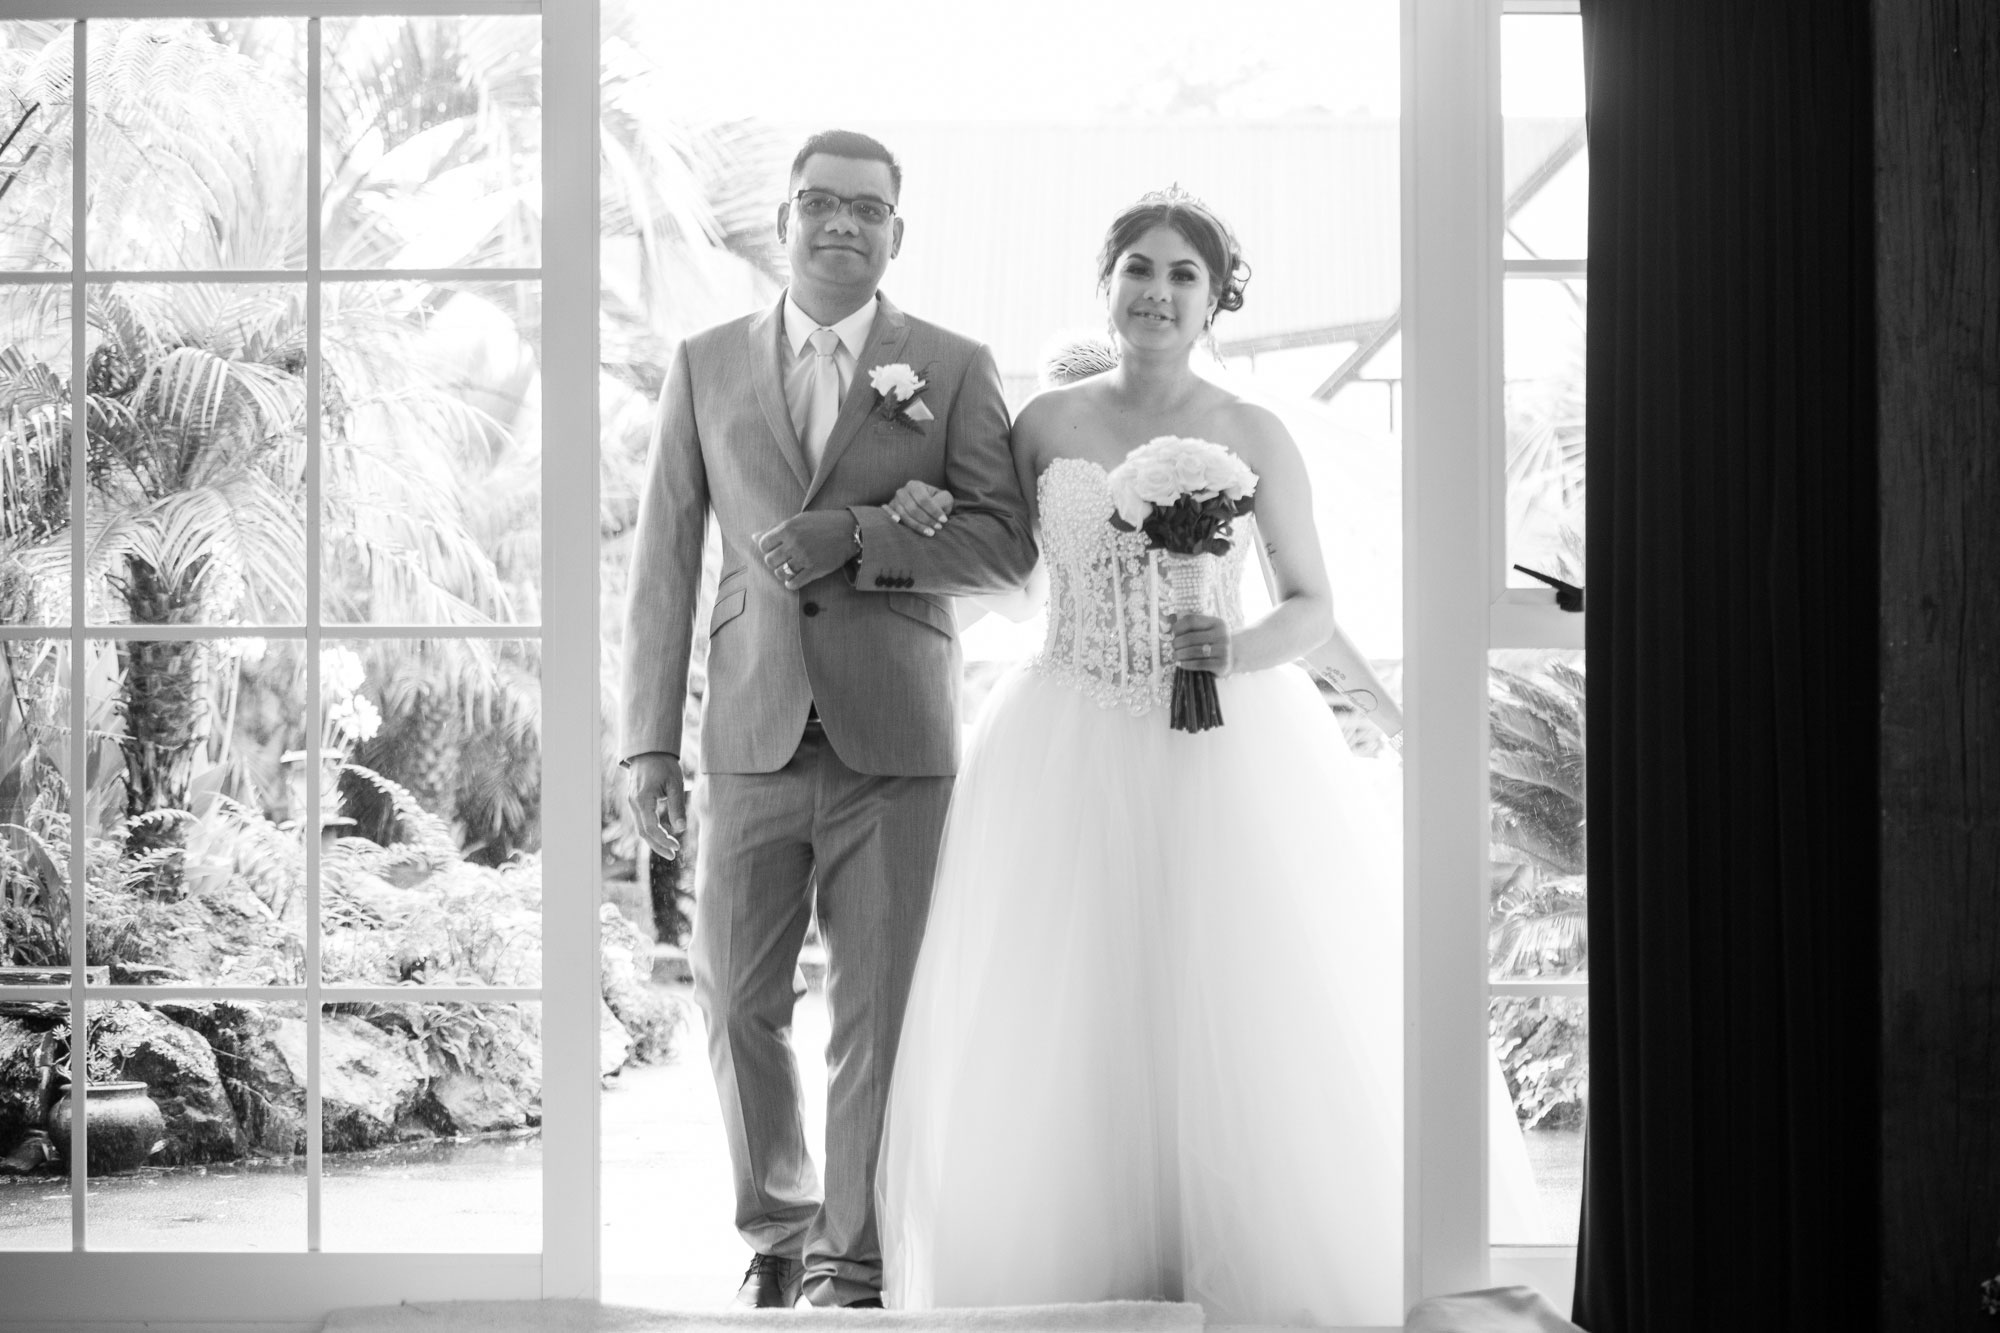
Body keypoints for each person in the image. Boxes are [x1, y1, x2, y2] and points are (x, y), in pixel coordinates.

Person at [874, 188, 1405, 1326]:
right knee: (1070, 1003)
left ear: (1214, 301)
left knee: (1222, 995)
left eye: (1181, 276)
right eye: (1137, 269)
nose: (1155, 293)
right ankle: (1081, 1270)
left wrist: (1239, 642)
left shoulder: (1255, 432)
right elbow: (1011, 580)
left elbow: (1311, 604)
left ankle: (1226, 1260)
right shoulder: (1043, 425)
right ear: (1103, 283)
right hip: (1061, 732)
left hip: (1216, 743)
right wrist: (928, 519)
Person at [619, 129, 1037, 1310]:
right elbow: (662, 565)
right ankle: (780, 1226)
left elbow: (1004, 546)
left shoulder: (949, 367)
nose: (839, 224)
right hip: (749, 734)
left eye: (866, 209)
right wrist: (647, 739)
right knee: (735, 999)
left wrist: (859, 534)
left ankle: (859, 1259)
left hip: (895, 741)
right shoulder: (703, 365)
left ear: (896, 232)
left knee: (878, 1011)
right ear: (786, 223)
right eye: (818, 204)